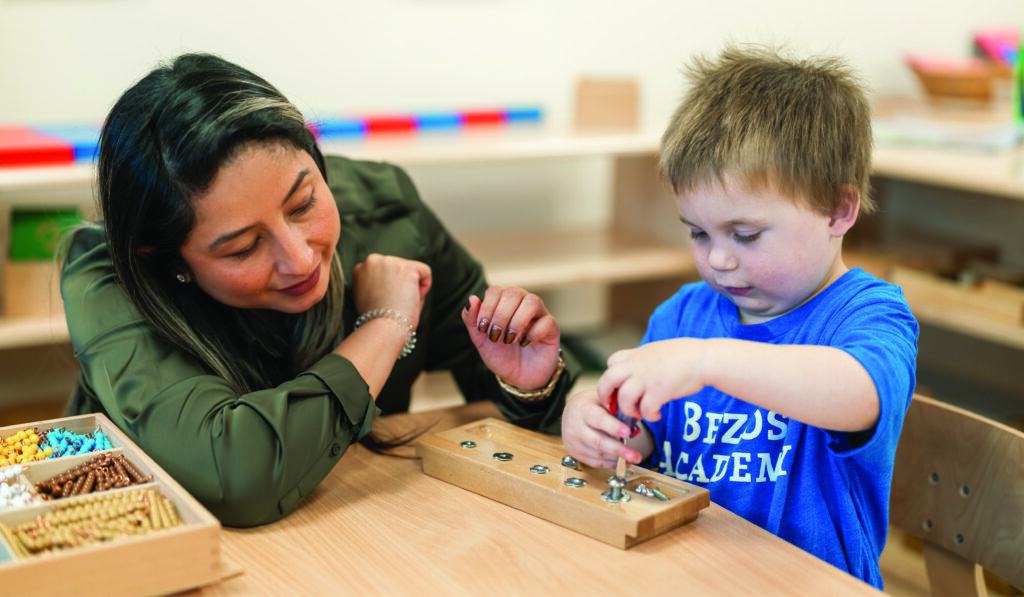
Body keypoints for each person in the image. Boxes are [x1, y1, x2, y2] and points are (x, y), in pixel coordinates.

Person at [59, 52, 578, 527]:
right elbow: (235, 475)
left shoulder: (386, 214)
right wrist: (383, 325)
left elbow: (514, 403)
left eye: (304, 203)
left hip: (358, 531)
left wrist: (529, 383)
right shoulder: (112, 276)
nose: (301, 257)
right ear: (166, 257)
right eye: (243, 248)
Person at [561, 45, 918, 589]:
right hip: (686, 574)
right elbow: (644, 442)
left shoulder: (867, 313)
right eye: (698, 233)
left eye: (745, 235)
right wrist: (598, 428)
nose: (719, 259)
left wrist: (707, 360)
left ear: (838, 211)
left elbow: (859, 393)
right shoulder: (682, 315)